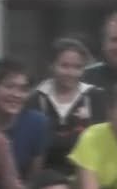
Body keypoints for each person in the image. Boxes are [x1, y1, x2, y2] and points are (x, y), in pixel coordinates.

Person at [30, 38, 106, 176]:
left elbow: (99, 143)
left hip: (85, 176)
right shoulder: (36, 99)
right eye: (64, 66)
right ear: (52, 65)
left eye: (77, 67)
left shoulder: (95, 97)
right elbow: (34, 147)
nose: (70, 72)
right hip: (46, 178)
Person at [0, 58, 48, 181]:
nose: (16, 94)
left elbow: (33, 179)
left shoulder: (37, 123)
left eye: (23, 89)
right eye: (9, 86)